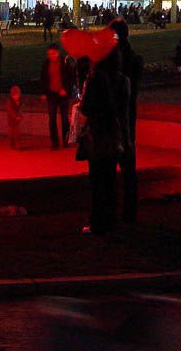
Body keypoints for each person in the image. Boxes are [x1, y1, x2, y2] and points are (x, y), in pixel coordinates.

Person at [78, 36, 128, 236]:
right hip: (113, 133)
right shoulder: (121, 79)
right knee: (110, 180)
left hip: (98, 133)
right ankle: (111, 219)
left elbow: (86, 107)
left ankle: (98, 221)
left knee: (98, 180)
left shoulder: (96, 79)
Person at [110, 19, 142, 224]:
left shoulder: (112, 62)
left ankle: (111, 213)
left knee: (108, 170)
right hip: (128, 119)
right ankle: (130, 214)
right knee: (129, 170)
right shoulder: (135, 60)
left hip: (112, 121)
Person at [41, 42, 77, 149]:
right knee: (52, 119)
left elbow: (72, 78)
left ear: (58, 53)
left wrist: (66, 89)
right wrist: (44, 92)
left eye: (53, 54)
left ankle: (66, 140)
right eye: (49, 54)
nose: (51, 56)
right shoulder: (46, 63)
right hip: (51, 94)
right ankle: (54, 142)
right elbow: (43, 78)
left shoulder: (65, 62)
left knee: (64, 118)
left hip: (63, 95)